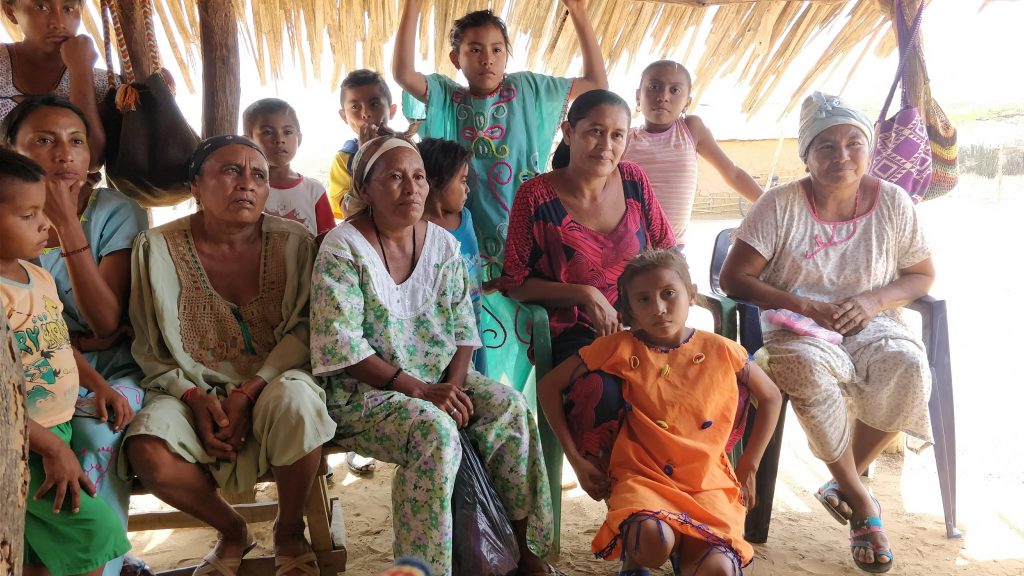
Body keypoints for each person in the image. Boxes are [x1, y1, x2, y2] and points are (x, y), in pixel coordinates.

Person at [309, 135, 560, 576]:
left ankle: (524, 551)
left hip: (440, 379)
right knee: (435, 434)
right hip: (367, 392)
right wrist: (421, 391)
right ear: (365, 190)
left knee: (511, 410)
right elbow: (342, 346)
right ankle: (424, 570)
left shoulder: (442, 244)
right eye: (394, 177)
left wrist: (454, 388)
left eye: (419, 176)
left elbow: (465, 327)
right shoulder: (342, 247)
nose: (412, 188)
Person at [719, 91, 937, 574]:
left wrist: (873, 300)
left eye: (853, 143)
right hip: (797, 328)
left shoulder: (894, 203)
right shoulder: (779, 205)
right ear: (807, 155)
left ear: (870, 148)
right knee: (802, 367)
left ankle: (844, 480)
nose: (842, 156)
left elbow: (922, 275)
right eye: (826, 146)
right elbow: (732, 279)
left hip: (871, 322)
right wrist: (802, 304)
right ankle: (862, 503)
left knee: (907, 365)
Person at [122, 135, 337, 576]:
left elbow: (305, 331)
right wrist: (195, 398)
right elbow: (150, 347)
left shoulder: (296, 243)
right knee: (147, 448)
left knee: (300, 406)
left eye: (258, 175)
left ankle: (289, 531)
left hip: (277, 380)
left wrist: (249, 390)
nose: (246, 184)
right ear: (196, 187)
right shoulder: (156, 248)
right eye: (230, 171)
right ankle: (233, 529)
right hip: (188, 387)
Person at [394, 0, 607, 385]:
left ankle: (528, 414)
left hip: (523, 242)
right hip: (462, 244)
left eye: (496, 49)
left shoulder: (529, 90)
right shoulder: (446, 96)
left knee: (528, 339)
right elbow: (402, 73)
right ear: (455, 58)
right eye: (474, 49)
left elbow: (595, 84)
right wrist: (413, 7)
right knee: (470, 340)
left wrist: (578, 14)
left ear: (507, 54)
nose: (486, 59)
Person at [539, 249, 782, 575]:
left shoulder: (723, 350)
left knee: (720, 571)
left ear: (691, 295)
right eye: (643, 300)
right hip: (643, 477)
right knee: (651, 541)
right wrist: (576, 461)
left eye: (668, 294)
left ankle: (686, 547)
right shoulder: (620, 346)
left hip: (707, 482)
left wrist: (749, 465)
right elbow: (549, 386)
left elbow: (771, 397)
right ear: (630, 310)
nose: (658, 308)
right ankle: (637, 560)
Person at [2, 94, 147, 576]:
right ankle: (109, 562)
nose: (64, 155)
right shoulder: (14, 257)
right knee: (88, 524)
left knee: (94, 430)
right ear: (12, 149)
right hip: (30, 420)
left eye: (76, 142)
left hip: (79, 389)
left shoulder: (111, 213)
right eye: (44, 141)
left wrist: (67, 225)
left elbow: (91, 328)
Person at [623, 60, 762, 245]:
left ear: (687, 102)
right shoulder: (624, 138)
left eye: (675, 90)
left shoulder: (691, 129)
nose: (663, 96)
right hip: (629, 247)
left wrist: (770, 204)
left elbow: (733, 173)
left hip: (673, 249)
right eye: (654, 86)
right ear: (638, 96)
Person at [1, 0, 110, 169]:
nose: (58, 23)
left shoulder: (103, 84)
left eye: (68, 9)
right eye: (41, 7)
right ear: (10, 11)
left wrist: (81, 72)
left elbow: (91, 160)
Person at [416, 137, 484, 369]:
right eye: (462, 181)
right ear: (434, 184)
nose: (467, 189)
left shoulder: (465, 217)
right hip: (442, 331)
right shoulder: (418, 230)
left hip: (474, 322)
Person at [243, 97, 335, 239]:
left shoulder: (313, 191)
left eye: (287, 132)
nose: (279, 139)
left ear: (299, 139)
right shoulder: (245, 189)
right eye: (267, 132)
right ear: (248, 141)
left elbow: (329, 243)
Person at [328, 68, 397, 219]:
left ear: (391, 111)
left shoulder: (406, 150)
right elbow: (349, 214)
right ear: (343, 116)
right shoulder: (344, 159)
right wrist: (362, 156)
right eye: (355, 107)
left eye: (374, 104)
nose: (366, 113)